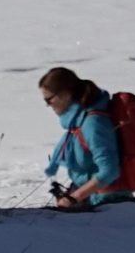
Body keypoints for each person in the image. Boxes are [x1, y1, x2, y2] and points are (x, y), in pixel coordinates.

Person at [40, 66, 128, 208]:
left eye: (49, 99)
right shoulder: (77, 123)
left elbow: (109, 171)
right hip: (94, 200)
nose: (47, 105)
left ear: (65, 94)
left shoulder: (92, 124)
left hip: (107, 205)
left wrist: (74, 198)